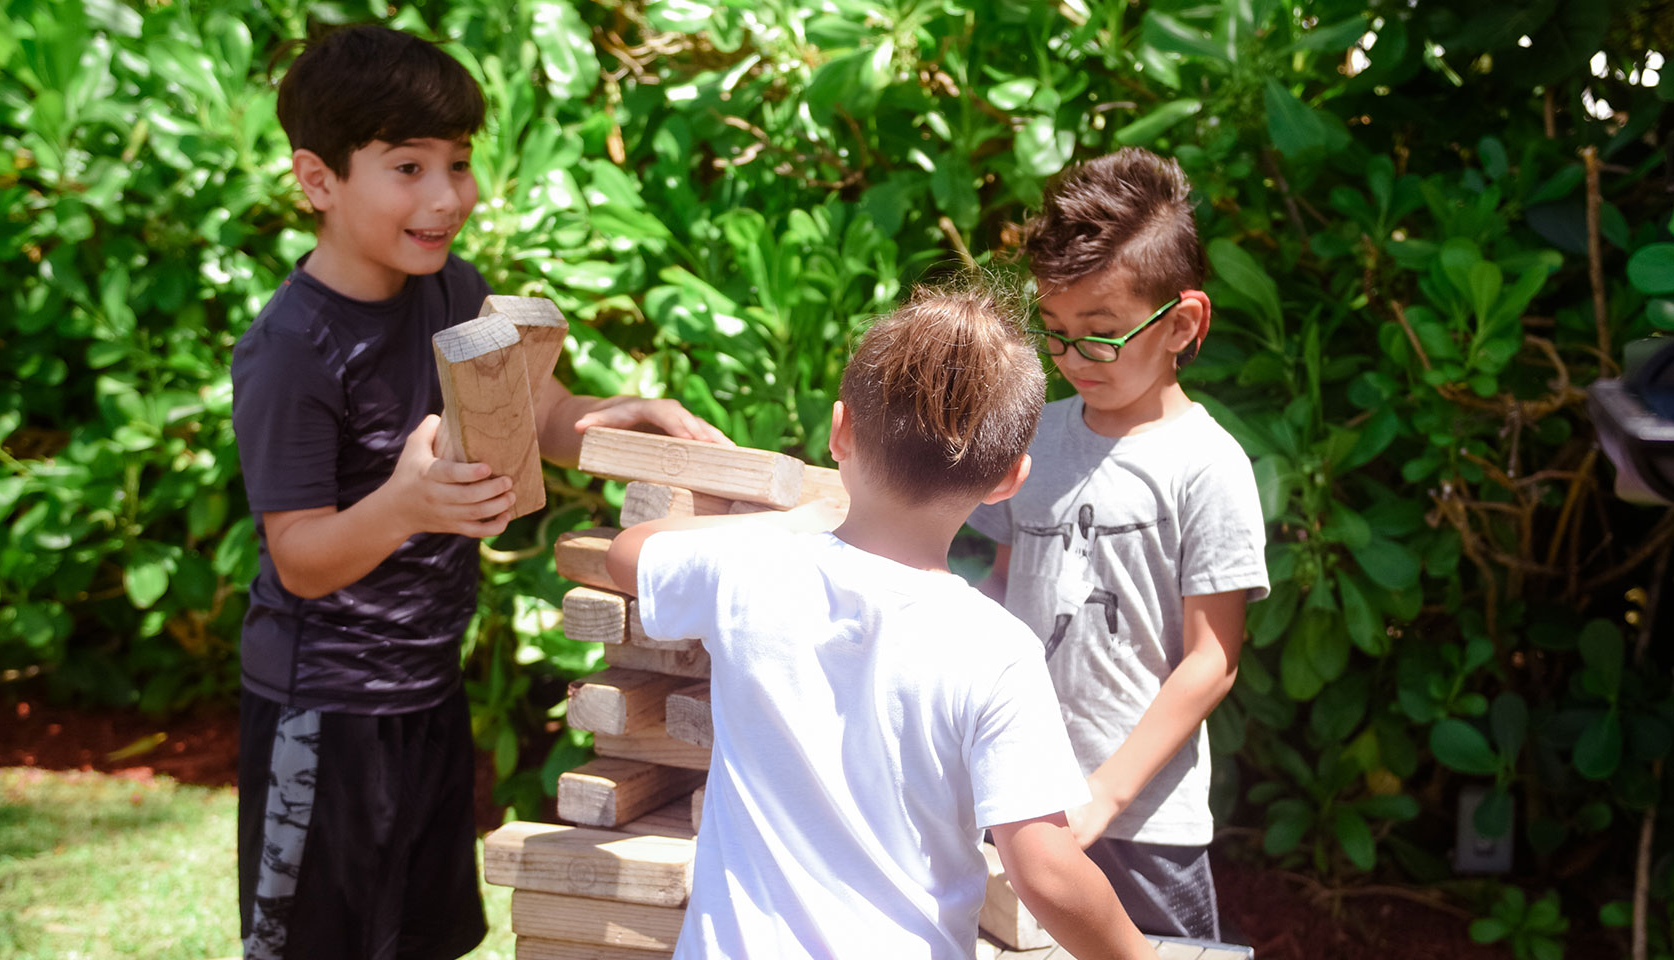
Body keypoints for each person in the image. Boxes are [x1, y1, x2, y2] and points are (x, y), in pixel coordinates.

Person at [229, 24, 725, 960]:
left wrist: (621, 417)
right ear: (318, 179)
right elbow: (298, 560)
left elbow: (533, 415)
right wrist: (406, 506)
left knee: (426, 938)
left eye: (457, 163)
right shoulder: (291, 351)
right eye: (407, 167)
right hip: (324, 711)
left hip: (426, 690)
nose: (447, 195)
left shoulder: (454, 293)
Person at [605, 283, 1157, 960]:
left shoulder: (752, 570)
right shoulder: (996, 650)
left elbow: (626, 556)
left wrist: (785, 522)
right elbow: (1045, 870)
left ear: (841, 431)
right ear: (1010, 479)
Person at [967, 148, 1269, 941]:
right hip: (1022, 799)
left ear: (1182, 325)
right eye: (1055, 333)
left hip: (1144, 827)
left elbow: (1213, 660)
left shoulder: (1208, 465)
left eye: (1099, 336)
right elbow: (1006, 581)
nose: (1071, 359)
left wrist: (1105, 792)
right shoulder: (1036, 434)